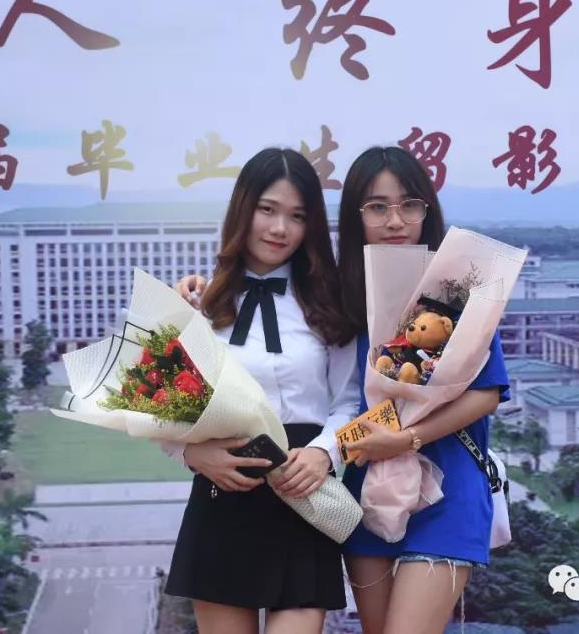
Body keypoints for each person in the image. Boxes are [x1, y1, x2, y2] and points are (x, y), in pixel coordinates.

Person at [175, 146, 510, 634]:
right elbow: (174, 400)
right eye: (377, 206)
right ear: (355, 217)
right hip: (362, 491)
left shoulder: (454, 288)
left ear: (427, 209)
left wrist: (391, 441)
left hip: (437, 487)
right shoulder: (346, 293)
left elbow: (485, 393)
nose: (394, 220)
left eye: (409, 204)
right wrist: (188, 449)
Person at [163, 147, 359, 634]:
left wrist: (325, 453)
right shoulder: (196, 302)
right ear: (243, 209)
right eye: (267, 210)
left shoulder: (330, 302)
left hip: (303, 491)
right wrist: (191, 454)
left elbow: (351, 400)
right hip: (224, 496)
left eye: (297, 216)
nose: (280, 228)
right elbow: (160, 405)